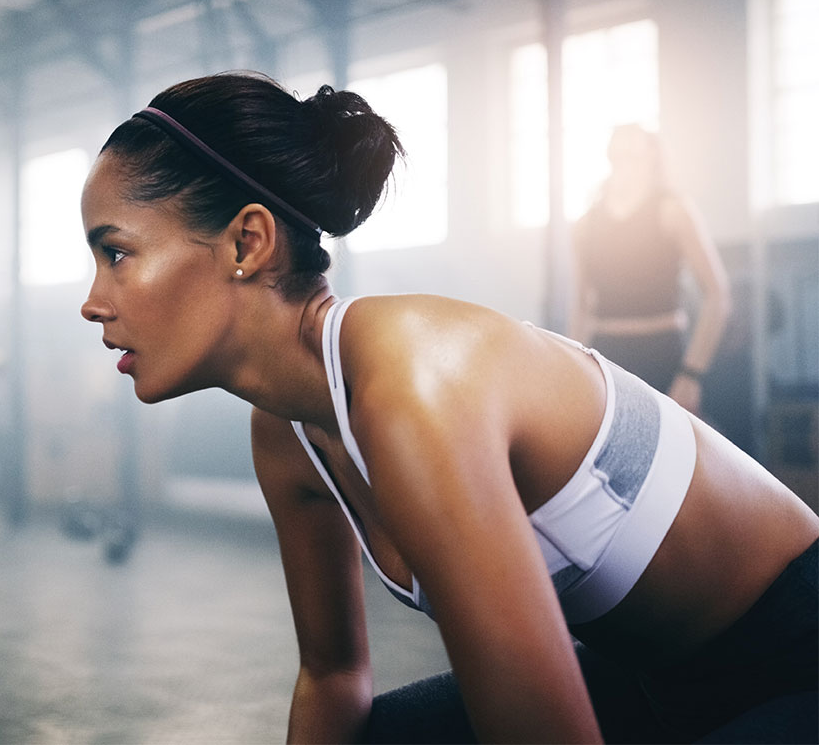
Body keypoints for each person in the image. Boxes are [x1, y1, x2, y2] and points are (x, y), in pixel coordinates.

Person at [78, 72, 818, 743]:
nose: (92, 301)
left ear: (247, 240)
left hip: (794, 659)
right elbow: (334, 677)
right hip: (655, 682)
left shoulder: (416, 381)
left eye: (116, 253)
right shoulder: (284, 435)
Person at [570, 124, 731, 417]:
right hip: (606, 358)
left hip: (662, 355)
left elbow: (718, 295)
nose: (626, 158)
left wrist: (691, 374)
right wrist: (573, 370)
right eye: (619, 151)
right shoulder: (585, 225)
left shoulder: (674, 211)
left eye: (634, 151)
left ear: (652, 155)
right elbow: (582, 307)